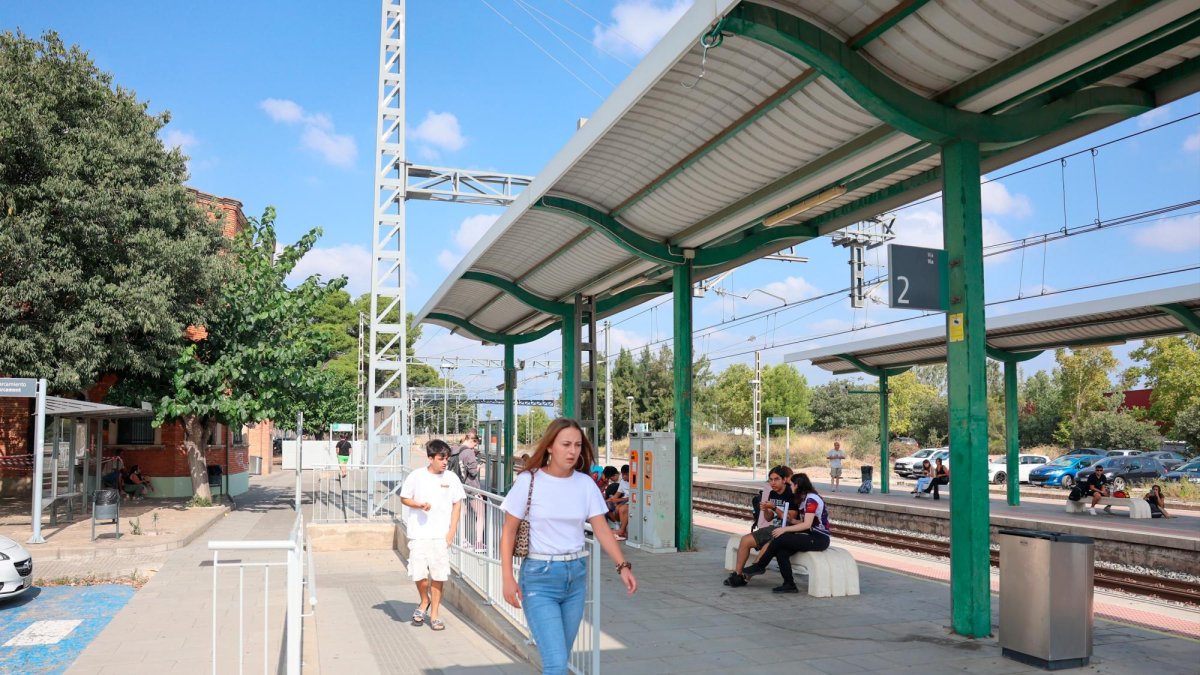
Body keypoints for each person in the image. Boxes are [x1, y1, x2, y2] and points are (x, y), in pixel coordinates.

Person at [501, 418, 637, 675]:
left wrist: (623, 566)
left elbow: (602, 530)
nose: (572, 451)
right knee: (555, 664)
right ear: (550, 446)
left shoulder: (585, 484)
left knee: (561, 658)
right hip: (539, 577)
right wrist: (507, 577)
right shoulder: (529, 481)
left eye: (577, 445)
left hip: (575, 577)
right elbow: (508, 531)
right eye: (565, 444)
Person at [399, 439, 465, 631]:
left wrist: (452, 531)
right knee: (419, 573)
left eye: (447, 458)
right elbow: (404, 498)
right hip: (418, 533)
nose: (445, 462)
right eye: (441, 458)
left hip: (440, 535)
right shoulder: (416, 476)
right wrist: (419, 504)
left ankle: (435, 613)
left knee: (439, 574)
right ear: (430, 458)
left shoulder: (451, 478)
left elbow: (457, 504)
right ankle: (424, 600)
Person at [724, 465, 795, 588]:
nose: (773, 483)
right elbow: (769, 518)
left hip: (788, 531)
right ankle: (738, 574)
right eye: (770, 480)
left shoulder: (791, 494)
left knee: (767, 546)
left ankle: (746, 578)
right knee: (745, 540)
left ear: (784, 480)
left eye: (776, 479)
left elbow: (789, 518)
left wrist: (773, 507)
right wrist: (765, 510)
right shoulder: (773, 493)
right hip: (774, 528)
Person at [764, 473, 831, 593]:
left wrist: (784, 529)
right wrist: (792, 520)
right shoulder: (805, 499)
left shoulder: (811, 499)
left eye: (791, 485)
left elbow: (807, 524)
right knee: (782, 552)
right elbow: (804, 522)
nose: (790, 488)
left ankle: (760, 565)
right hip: (811, 535)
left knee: (781, 537)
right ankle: (789, 584)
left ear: (797, 485)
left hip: (819, 539)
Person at [456, 433, 486, 551]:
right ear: (472, 440)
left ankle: (462, 541)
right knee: (480, 514)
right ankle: (478, 543)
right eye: (475, 444)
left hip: (459, 487)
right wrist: (478, 467)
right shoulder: (468, 452)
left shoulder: (455, 450)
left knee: (460, 514)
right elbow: (472, 472)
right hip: (471, 488)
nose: (474, 447)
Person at [601, 466, 629, 541]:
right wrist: (607, 500)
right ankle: (619, 527)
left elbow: (631, 497)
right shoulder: (623, 481)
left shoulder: (634, 481)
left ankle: (622, 531)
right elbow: (616, 494)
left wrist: (618, 500)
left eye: (625, 475)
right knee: (612, 507)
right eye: (623, 474)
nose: (623, 477)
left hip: (630, 500)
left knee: (621, 508)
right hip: (624, 500)